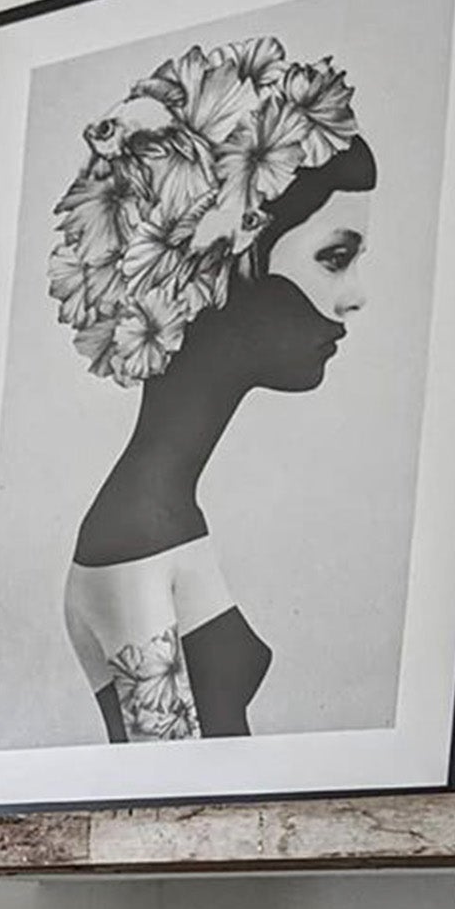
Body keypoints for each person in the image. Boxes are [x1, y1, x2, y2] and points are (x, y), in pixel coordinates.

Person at [51, 38, 374, 741]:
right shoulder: (132, 536)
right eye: (335, 258)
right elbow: (161, 782)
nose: (357, 297)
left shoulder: (160, 513)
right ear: (225, 262)